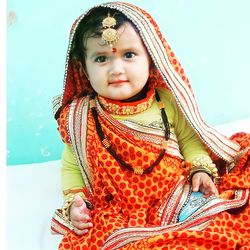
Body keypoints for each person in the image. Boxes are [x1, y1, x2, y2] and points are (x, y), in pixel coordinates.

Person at [51, 2, 250, 249]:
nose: (116, 69)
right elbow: (72, 163)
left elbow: (189, 140)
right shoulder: (80, 118)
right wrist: (75, 201)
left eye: (129, 55)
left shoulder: (165, 101)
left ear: (150, 59)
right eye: (101, 58)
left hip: (176, 193)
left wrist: (200, 170)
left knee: (216, 222)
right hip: (122, 207)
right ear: (83, 68)